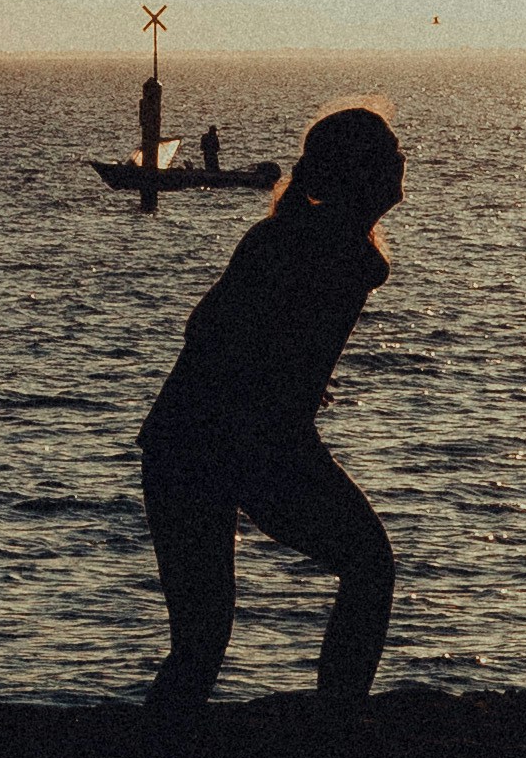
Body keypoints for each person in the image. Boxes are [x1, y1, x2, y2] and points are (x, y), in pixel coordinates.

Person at [138, 102, 407, 714]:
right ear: (359, 172)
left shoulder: (315, 242)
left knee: (200, 643)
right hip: (228, 443)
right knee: (366, 567)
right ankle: (335, 734)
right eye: (389, 151)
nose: (400, 159)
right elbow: (227, 339)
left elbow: (218, 332)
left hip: (200, 441)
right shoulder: (330, 250)